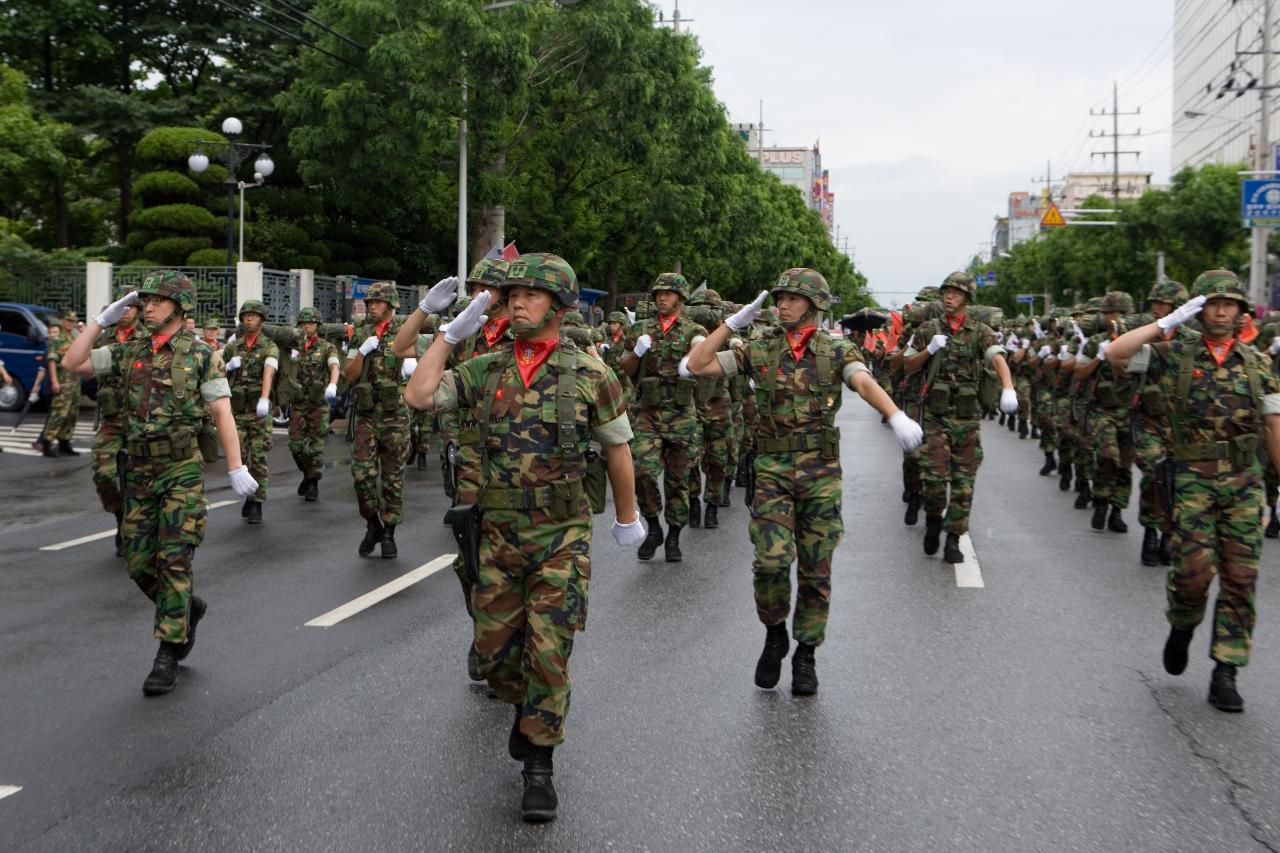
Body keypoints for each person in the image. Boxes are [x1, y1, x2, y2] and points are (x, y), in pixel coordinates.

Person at [404, 252, 644, 822]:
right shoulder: (486, 368)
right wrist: (447, 335)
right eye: (510, 295)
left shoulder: (590, 373)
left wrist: (627, 516)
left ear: (559, 305)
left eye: (529, 295)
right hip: (498, 534)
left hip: (562, 534)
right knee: (494, 657)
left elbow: (617, 448)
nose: (515, 302)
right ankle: (526, 713)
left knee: (550, 651)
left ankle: (540, 766)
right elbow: (418, 395)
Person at [687, 268, 924, 695]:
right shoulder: (759, 348)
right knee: (771, 562)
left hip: (820, 473)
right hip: (772, 470)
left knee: (816, 569)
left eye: (792, 299)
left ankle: (806, 654)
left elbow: (862, 381)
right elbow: (696, 364)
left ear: (814, 305)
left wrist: (894, 414)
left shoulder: (835, 349)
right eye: (779, 298)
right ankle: (774, 632)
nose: (782, 304)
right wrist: (731, 324)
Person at [61, 271, 258, 695]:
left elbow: (222, 412)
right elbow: (72, 363)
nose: (146, 306)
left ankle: (168, 651)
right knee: (137, 564)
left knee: (174, 560)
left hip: (180, 471)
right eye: (144, 300)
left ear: (179, 306)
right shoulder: (127, 349)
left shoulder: (202, 355)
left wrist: (236, 467)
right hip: (139, 470)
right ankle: (188, 608)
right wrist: (100, 321)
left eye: (156, 300)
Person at [1108, 270, 1280, 713]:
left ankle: (1226, 669)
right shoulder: (1171, 354)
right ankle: (1182, 624)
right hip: (1192, 479)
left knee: (1241, 579)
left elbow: (1273, 425)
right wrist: (1166, 323)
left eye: (1230, 304)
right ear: (1200, 309)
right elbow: (1115, 352)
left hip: (1244, 481)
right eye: (1213, 303)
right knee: (1192, 575)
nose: (1221, 311)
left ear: (1242, 312)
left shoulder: (1259, 364)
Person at [904, 271, 1018, 563]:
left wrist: (1008, 387)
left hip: (967, 419)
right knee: (933, 479)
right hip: (935, 416)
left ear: (967, 297)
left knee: (964, 482)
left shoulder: (980, 331)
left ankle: (953, 538)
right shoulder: (929, 329)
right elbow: (906, 365)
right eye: (946, 292)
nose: (949, 296)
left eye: (955, 292)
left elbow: (997, 356)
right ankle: (932, 519)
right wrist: (928, 350)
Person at [619, 273, 706, 562]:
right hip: (648, 412)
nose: (662, 298)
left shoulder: (693, 328)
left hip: (681, 414)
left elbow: (700, 346)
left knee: (678, 479)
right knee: (642, 470)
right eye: (658, 293)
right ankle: (654, 525)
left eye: (668, 294)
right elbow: (626, 368)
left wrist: (692, 357)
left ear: (681, 298)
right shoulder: (641, 329)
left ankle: (674, 537)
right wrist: (636, 350)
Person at [344, 282, 411, 558]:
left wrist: (413, 365)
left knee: (393, 478)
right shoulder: (360, 333)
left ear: (391, 305)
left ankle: (388, 533)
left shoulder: (405, 332)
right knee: (361, 475)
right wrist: (362, 350)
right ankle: (372, 523)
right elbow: (349, 373)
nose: (372, 306)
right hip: (367, 415)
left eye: (378, 302)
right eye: (369, 302)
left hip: (396, 416)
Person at [90, 285, 145, 555]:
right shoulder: (104, 337)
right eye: (120, 306)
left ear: (138, 310)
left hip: (141, 420)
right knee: (103, 474)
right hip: (112, 419)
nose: (125, 312)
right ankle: (119, 515)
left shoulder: (148, 338)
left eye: (130, 306)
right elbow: (82, 363)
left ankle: (132, 529)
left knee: (141, 480)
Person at [223, 300, 279, 524]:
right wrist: (227, 366)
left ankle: (257, 502)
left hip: (258, 412)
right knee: (241, 458)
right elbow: (217, 371)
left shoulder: (269, 346)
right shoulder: (232, 347)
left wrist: (265, 397)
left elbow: (270, 370)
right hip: (237, 412)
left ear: (262, 320)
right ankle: (249, 494)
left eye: (254, 316)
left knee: (258, 457)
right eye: (246, 315)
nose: (249, 319)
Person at [289, 307, 340, 501]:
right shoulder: (295, 346)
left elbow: (334, 365)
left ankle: (313, 483)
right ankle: (307, 473)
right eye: (303, 323)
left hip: (318, 403)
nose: (306, 326)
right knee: (296, 445)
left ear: (317, 325)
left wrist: (333, 385)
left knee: (316, 446)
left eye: (310, 323)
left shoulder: (326, 347)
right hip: (299, 402)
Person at [37, 310, 83, 457]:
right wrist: (54, 381)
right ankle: (47, 442)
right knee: (59, 413)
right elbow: (51, 360)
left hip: (74, 382)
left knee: (71, 414)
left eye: (74, 321)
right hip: (62, 382)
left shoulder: (75, 338)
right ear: (62, 321)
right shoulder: (57, 339)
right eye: (69, 320)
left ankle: (65, 443)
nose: (72, 323)